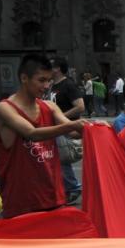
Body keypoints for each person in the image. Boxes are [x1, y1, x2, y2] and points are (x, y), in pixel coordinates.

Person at [0, 53, 85, 217]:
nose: (46, 86)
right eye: (41, 80)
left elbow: (72, 132)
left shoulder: (49, 106)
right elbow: (31, 133)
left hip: (53, 196)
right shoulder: (5, 108)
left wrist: (94, 129)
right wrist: (73, 125)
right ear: (24, 78)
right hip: (21, 201)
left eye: (49, 80)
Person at [50, 57, 85, 202]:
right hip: (57, 127)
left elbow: (80, 106)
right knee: (57, 158)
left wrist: (59, 117)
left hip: (66, 127)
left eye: (50, 66)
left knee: (61, 158)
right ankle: (67, 187)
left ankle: (72, 186)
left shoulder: (68, 85)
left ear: (58, 68)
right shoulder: (52, 85)